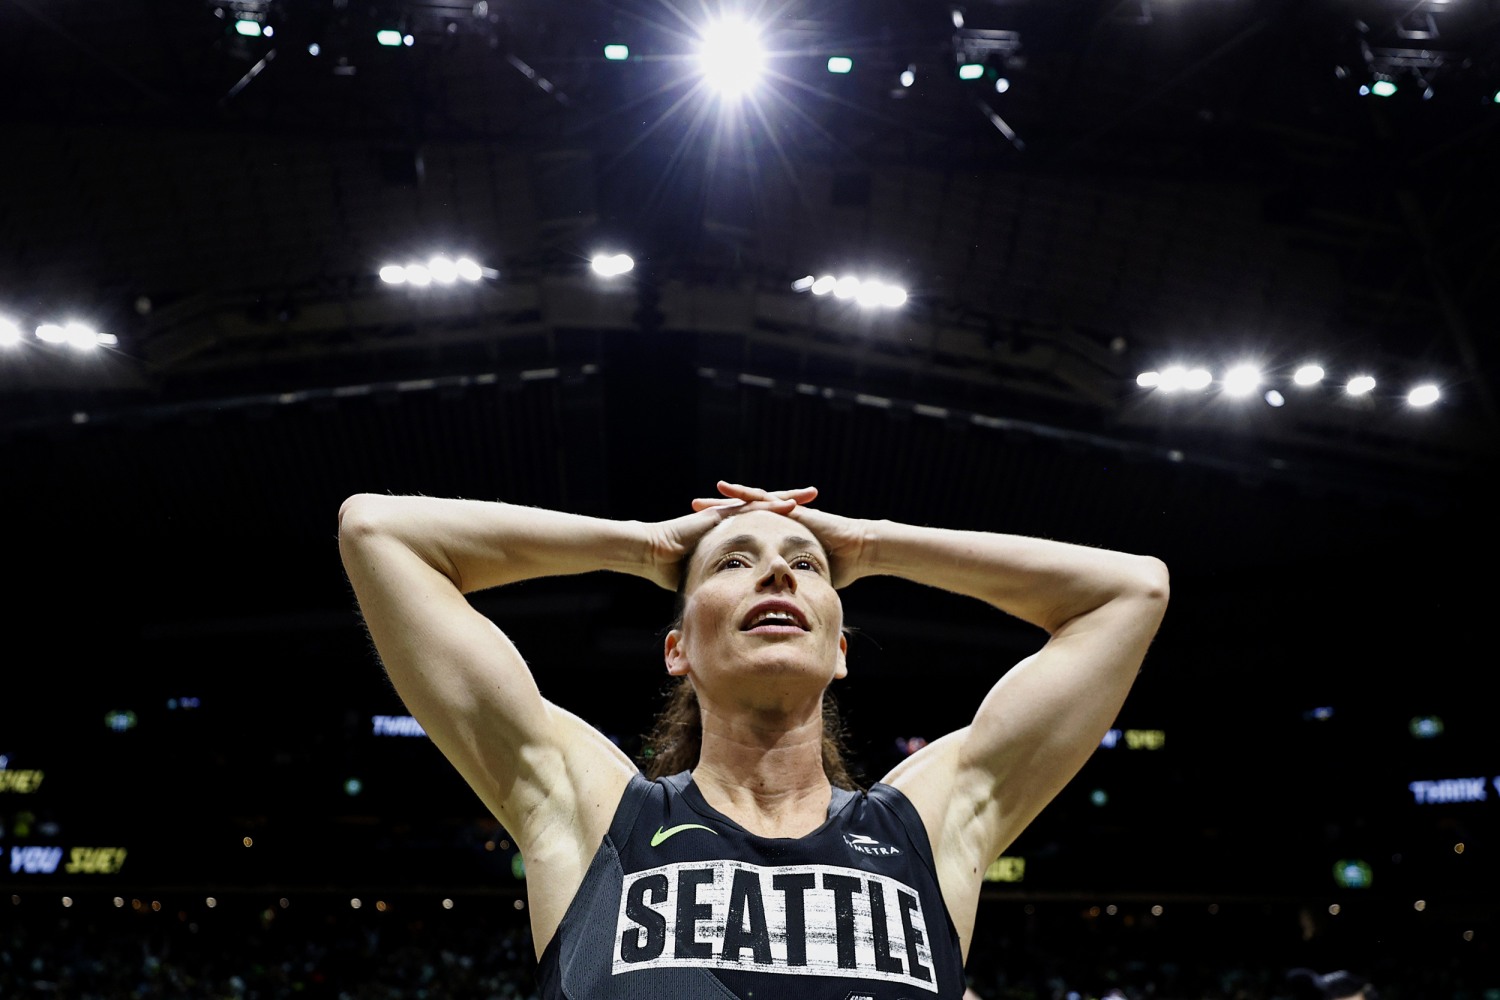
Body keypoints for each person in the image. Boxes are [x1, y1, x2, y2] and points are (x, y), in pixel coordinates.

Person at [336, 481, 1170, 998]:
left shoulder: (926, 827)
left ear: (841, 650)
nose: (777, 572)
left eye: (807, 567)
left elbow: (1130, 591)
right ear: (678, 649)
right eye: (734, 563)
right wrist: (646, 546)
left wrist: (872, 545)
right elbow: (380, 533)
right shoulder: (596, 819)